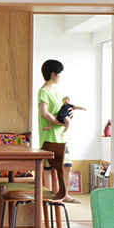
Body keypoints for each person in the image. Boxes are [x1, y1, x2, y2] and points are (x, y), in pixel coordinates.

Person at [38, 59, 80, 203]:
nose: (61, 76)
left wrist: (70, 112)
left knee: (67, 166)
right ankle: (49, 196)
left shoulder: (56, 91)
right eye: (60, 74)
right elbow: (44, 113)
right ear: (53, 74)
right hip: (49, 137)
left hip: (61, 137)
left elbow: (60, 109)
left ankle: (64, 194)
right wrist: (58, 122)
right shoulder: (43, 91)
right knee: (49, 169)